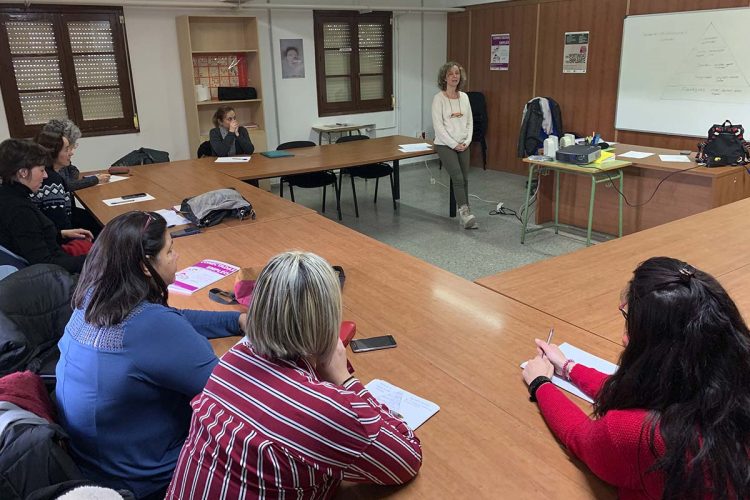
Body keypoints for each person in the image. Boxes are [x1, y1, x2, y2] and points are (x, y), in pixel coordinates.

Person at [167, 251, 423, 499]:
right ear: (328, 320)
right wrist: (345, 380)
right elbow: (406, 459)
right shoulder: (325, 410)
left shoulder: (231, 361)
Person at [522, 256, 750, 499]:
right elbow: (639, 391)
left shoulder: (640, 434)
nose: (624, 338)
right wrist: (568, 367)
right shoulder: (720, 385)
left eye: (628, 320)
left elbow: (583, 440)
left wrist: (540, 384)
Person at [55, 211, 246, 500]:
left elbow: (172, 317)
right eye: (170, 250)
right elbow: (230, 393)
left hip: (94, 463)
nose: (177, 257)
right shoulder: (149, 326)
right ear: (145, 267)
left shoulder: (94, 299)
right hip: (146, 479)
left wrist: (237, 322)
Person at [0, 138, 90, 273]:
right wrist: (94, 261)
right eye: (42, 170)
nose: (46, 175)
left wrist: (61, 234)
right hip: (52, 277)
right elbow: (46, 264)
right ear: (23, 172)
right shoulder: (19, 210)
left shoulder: (8, 195)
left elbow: (29, 238)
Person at [432, 61, 476, 229]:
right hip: (445, 144)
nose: (454, 77)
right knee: (457, 177)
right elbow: (439, 127)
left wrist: (467, 141)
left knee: (464, 178)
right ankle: (464, 214)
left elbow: (469, 122)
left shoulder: (464, 97)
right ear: (444, 77)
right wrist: (453, 144)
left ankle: (466, 212)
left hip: (463, 143)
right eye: (450, 74)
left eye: (457, 73)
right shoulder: (438, 99)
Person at [41, 118, 110, 191]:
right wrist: (95, 179)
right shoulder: (46, 165)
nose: (72, 151)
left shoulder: (60, 161)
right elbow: (66, 185)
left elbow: (74, 171)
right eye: (71, 144)